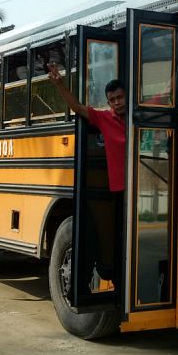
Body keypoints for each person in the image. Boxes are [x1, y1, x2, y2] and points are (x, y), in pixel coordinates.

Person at [47, 63, 125, 286]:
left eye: (120, 97)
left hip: (142, 190)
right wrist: (60, 84)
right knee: (115, 239)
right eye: (112, 100)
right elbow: (77, 107)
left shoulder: (138, 118)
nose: (117, 103)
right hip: (118, 191)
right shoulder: (104, 119)